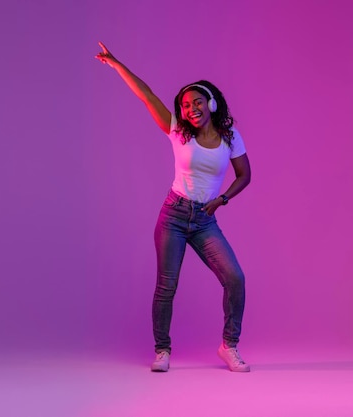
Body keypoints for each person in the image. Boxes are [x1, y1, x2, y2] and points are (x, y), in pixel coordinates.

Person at [95, 42, 251, 372]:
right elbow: (147, 95)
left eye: (197, 102)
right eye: (184, 105)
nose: (191, 108)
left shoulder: (230, 135)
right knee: (167, 286)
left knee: (235, 279)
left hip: (205, 220)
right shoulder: (178, 132)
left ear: (210, 103)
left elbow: (244, 175)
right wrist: (117, 64)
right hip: (174, 215)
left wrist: (222, 199)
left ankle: (229, 346)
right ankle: (162, 351)